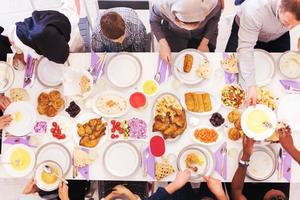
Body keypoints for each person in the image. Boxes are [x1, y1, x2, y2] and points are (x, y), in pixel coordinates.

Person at [225, 0, 300, 106]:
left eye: (295, 25)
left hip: (278, 36)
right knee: (230, 72)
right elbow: (245, 49)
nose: (290, 28)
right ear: (280, 5)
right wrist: (251, 85)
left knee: (281, 76)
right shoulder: (254, 8)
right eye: (287, 23)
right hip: (247, 28)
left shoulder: (288, 21)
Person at [8, 0, 80, 65]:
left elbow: (62, 57)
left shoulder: (71, 16)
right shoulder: (16, 34)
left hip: (65, 30)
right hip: (44, 30)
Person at [150, 0, 222, 63]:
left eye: (196, 23)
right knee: (175, 59)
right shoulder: (161, 5)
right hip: (173, 33)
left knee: (205, 59)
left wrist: (204, 43)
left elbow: (214, 20)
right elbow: (154, 21)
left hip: (203, 33)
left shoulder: (213, 4)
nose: (190, 29)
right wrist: (163, 44)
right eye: (185, 24)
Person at [148, 170, 228, 200]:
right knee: (209, 173)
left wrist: (176, 184)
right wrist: (220, 194)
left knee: (178, 171)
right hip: (212, 196)